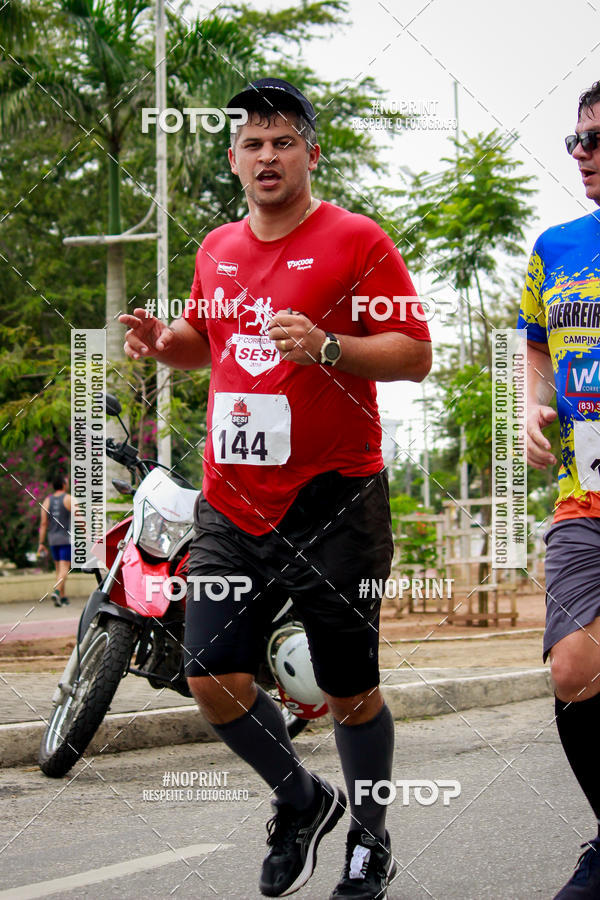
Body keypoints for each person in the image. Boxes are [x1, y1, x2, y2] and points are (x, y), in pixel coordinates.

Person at [121, 77, 432, 899]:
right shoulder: (218, 248)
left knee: (350, 690)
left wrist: (330, 347)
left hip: (334, 500)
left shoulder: (356, 240)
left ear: (310, 154)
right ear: (234, 158)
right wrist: (166, 342)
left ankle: (370, 840)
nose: (267, 155)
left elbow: (414, 353)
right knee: (209, 674)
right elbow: (207, 341)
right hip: (234, 501)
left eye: (283, 140)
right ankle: (300, 799)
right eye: (253, 143)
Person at [519, 80, 600, 899]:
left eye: (598, 140)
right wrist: (531, 410)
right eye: (576, 140)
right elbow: (536, 348)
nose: (582, 155)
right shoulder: (557, 247)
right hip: (585, 494)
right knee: (575, 667)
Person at [38, 472, 72, 607]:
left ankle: (62, 598)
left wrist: (41, 543)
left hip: (52, 539)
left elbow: (43, 523)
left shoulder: (47, 501)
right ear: (63, 484)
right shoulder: (68, 499)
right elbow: (79, 518)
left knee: (59, 569)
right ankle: (57, 592)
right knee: (64, 568)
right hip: (65, 539)